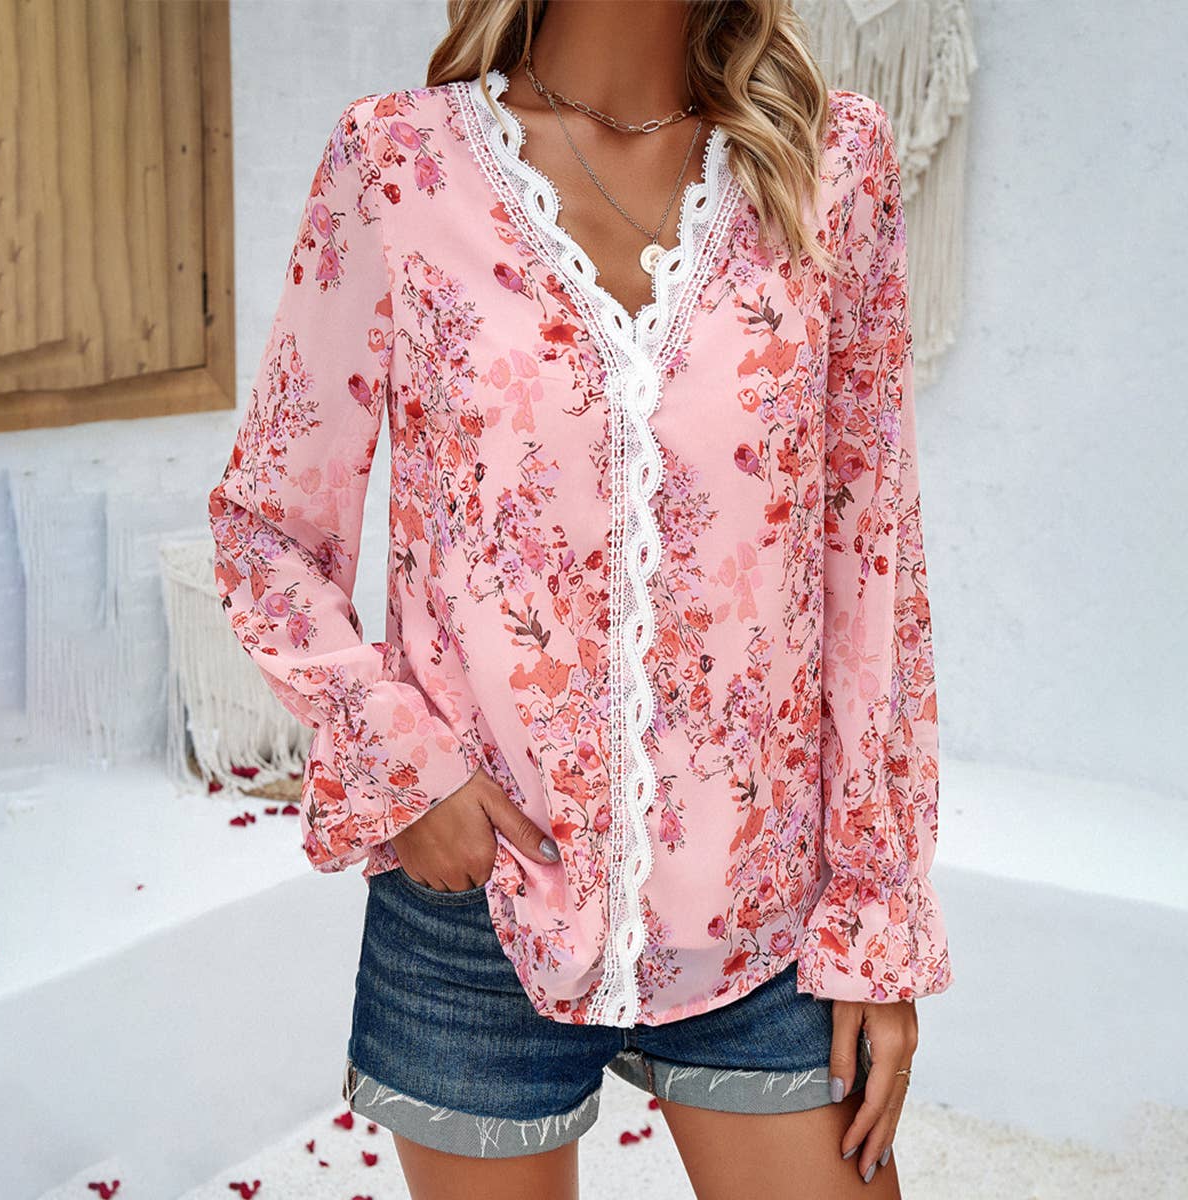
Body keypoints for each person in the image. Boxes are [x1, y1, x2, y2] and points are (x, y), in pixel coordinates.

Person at [207, 1, 953, 1195]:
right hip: (475, 909)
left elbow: (872, 570)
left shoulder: (831, 165)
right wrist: (408, 765)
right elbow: (269, 528)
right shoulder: (397, 164)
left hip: (768, 920)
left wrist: (879, 916)